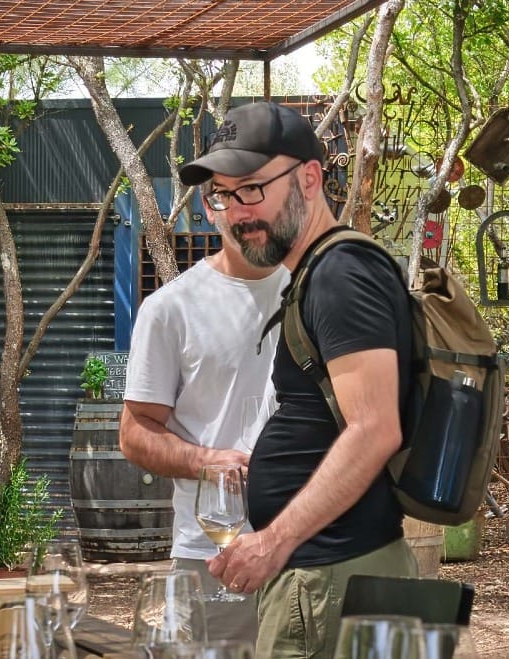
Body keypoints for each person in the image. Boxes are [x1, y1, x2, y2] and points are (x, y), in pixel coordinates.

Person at [181, 101, 417, 658]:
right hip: (323, 579)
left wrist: (272, 542)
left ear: (310, 179)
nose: (236, 213)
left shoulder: (340, 274)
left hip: (328, 581)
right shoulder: (321, 271)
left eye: (251, 190)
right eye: (222, 195)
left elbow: (374, 427)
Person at [119, 195, 288, 643]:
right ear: (209, 210)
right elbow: (134, 433)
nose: (246, 211)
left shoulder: (317, 291)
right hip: (217, 553)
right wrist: (210, 462)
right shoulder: (172, 308)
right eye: (226, 198)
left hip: (313, 547)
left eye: (257, 191)